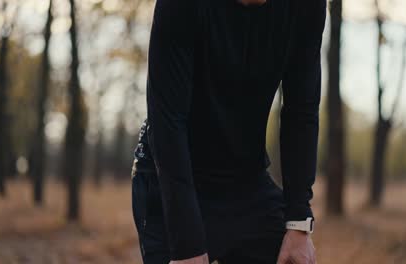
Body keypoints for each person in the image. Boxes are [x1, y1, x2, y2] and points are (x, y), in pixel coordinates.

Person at [131, 0, 326, 263]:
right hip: (171, 173)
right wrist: (186, 245)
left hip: (247, 179)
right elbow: (168, 121)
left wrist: (299, 222)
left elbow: (301, 111)